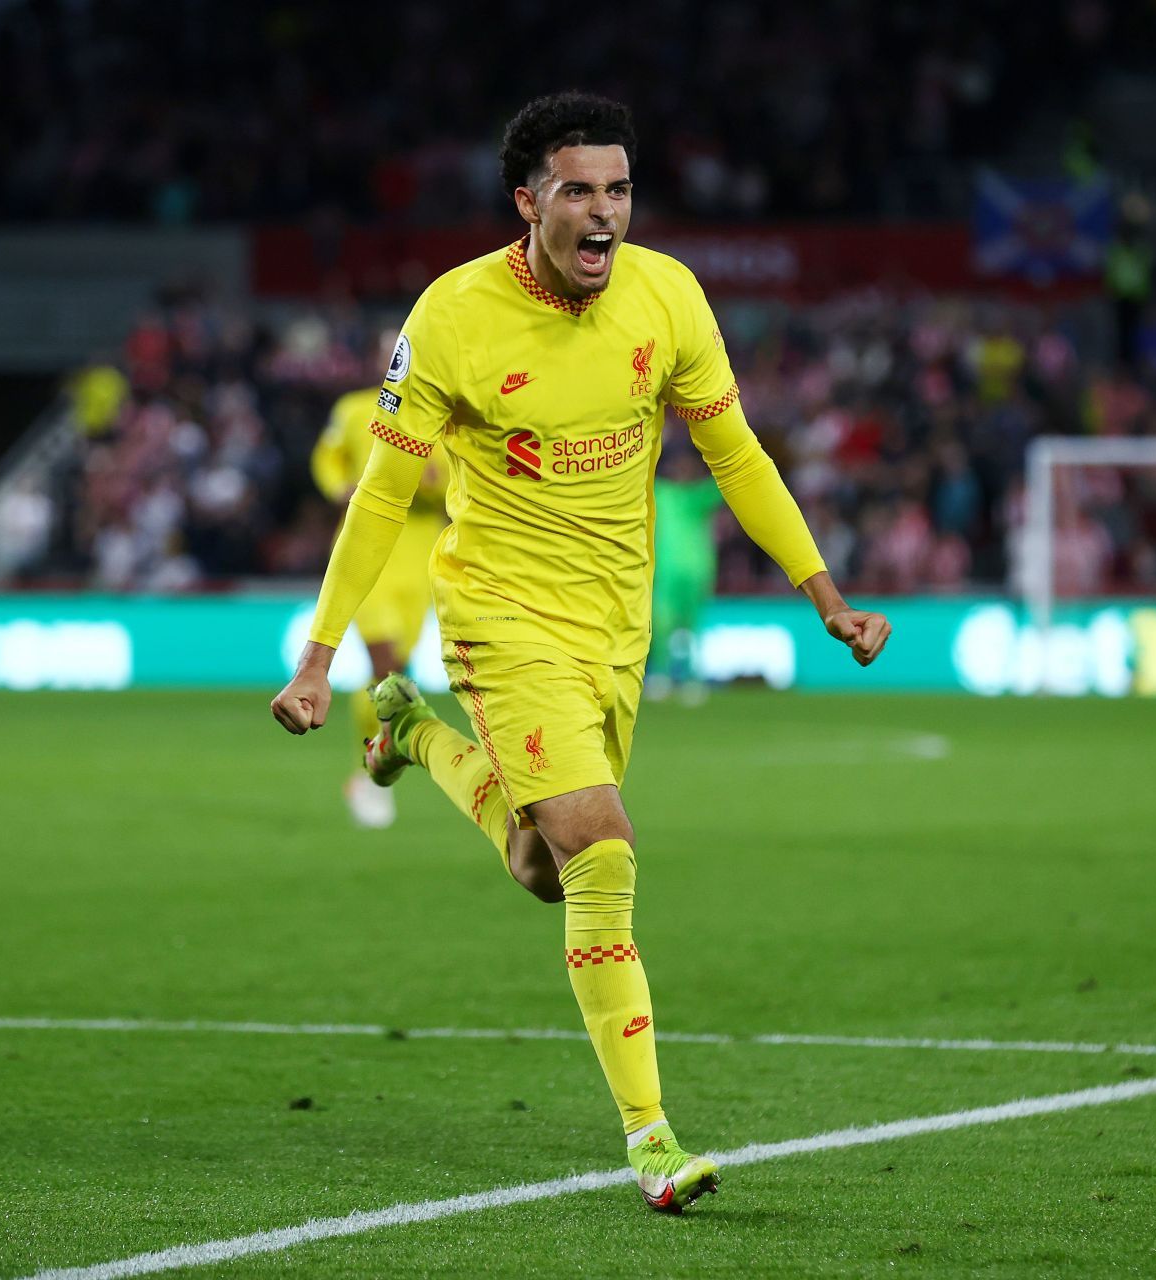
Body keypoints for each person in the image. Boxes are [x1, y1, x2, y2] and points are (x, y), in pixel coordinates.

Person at [270, 93, 891, 1213]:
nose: (603, 213)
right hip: (503, 617)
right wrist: (318, 655)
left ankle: (407, 727)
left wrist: (825, 594)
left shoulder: (669, 295)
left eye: (618, 189)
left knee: (539, 864)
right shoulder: (455, 316)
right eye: (578, 191)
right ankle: (651, 1136)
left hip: (617, 625)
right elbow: (380, 493)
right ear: (529, 201)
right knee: (602, 851)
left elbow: (738, 454)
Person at [310, 342, 450, 828]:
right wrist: (337, 488)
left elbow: (458, 479)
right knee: (385, 661)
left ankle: (373, 762)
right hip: (367, 547)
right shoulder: (351, 409)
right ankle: (370, 773)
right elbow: (328, 458)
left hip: (420, 554)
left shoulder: (441, 415)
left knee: (395, 679)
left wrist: (437, 480)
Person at [646, 442, 723, 701]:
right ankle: (661, 676)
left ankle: (692, 678)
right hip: (665, 571)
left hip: (697, 570)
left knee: (693, 626)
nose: (681, 470)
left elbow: (722, 486)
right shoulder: (659, 493)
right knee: (662, 623)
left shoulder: (697, 497)